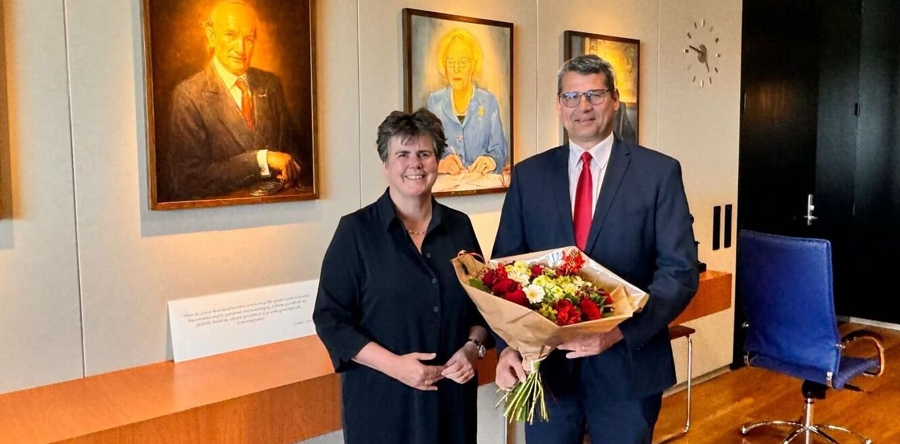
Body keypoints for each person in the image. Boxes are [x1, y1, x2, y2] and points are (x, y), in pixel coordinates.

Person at [492, 54, 699, 443]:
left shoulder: (657, 173)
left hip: (628, 369)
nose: (582, 107)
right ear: (558, 105)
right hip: (545, 371)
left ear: (616, 100)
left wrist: (617, 332)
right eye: (571, 96)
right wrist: (507, 348)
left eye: (594, 95)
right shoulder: (529, 176)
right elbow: (505, 273)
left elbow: (680, 272)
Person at [313, 109, 488, 444]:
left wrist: (472, 349)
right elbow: (331, 319)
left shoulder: (460, 226)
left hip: (451, 399)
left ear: (438, 160)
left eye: (424, 153)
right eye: (403, 154)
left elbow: (482, 307)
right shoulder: (355, 232)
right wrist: (395, 365)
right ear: (386, 165)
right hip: (383, 400)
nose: (415, 164)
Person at [162, 0, 305, 201]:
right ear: (211, 37)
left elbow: (296, 152)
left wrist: (292, 169)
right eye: (230, 35)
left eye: (249, 38)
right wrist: (260, 160)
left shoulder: (270, 84)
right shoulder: (188, 95)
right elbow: (188, 180)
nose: (241, 48)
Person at [427, 29, 507, 175]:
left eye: (462, 62)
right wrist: (440, 163)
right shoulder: (435, 101)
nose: (456, 69)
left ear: (473, 64)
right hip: (445, 188)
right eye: (451, 62)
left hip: (482, 187)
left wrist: (491, 160)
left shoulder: (488, 101)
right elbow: (424, 152)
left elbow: (499, 150)